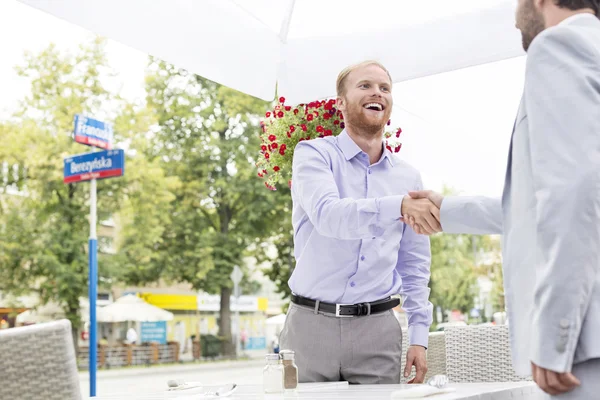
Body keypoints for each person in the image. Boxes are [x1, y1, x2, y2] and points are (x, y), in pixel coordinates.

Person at [402, 1, 600, 398]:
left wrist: (556, 333)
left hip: (585, 341)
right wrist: (450, 210)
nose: (514, 15)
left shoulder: (559, 45)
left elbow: (575, 191)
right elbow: (541, 203)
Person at [280, 60, 437, 384]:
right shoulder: (313, 155)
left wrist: (420, 334)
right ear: (341, 102)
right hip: (310, 328)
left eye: (384, 87)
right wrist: (398, 205)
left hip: (377, 332)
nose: (376, 92)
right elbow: (329, 215)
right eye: (365, 85)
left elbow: (415, 262)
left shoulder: (408, 177)